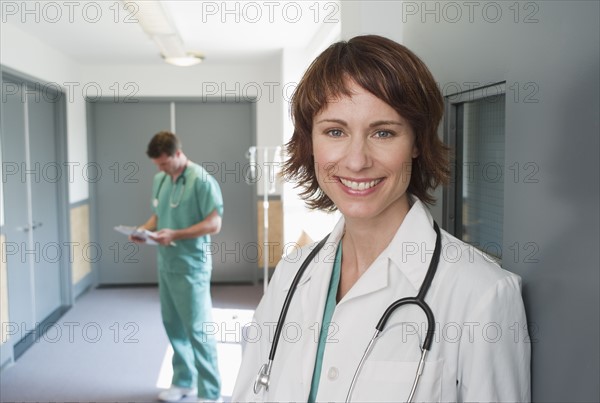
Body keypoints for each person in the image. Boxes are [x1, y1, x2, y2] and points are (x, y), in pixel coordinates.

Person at [232, 35, 530, 402]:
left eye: (383, 132)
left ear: (417, 143)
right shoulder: (292, 275)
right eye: (335, 131)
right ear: (311, 142)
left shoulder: (481, 295)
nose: (357, 160)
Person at [131, 131, 223, 403]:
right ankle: (184, 382)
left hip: (191, 264)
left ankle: (211, 392)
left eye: (164, 163)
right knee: (173, 325)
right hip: (167, 263)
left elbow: (214, 224)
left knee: (198, 328)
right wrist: (142, 230)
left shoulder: (202, 180)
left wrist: (176, 234)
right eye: (157, 165)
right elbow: (158, 216)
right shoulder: (161, 179)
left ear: (177, 154)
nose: (160, 169)